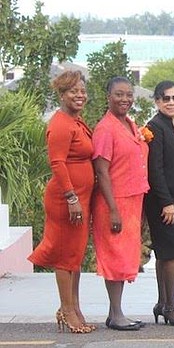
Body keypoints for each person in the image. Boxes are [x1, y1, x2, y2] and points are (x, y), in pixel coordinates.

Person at [28, 70, 95, 334]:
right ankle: (67, 311)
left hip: (81, 197)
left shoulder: (76, 122)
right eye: (73, 91)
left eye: (82, 91)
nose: (79, 95)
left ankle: (74, 307)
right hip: (66, 199)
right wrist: (71, 197)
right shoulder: (60, 124)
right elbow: (57, 162)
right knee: (66, 257)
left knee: (75, 256)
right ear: (61, 94)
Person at [91, 77, 149, 331]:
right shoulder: (105, 128)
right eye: (118, 94)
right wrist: (113, 209)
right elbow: (102, 172)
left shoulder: (130, 124)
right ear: (108, 96)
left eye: (128, 94)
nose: (124, 99)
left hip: (133, 201)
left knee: (126, 257)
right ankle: (116, 314)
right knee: (115, 257)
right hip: (114, 203)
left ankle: (117, 312)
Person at [144, 80, 174, 326]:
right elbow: (155, 169)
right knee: (172, 253)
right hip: (166, 201)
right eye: (166, 98)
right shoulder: (155, 127)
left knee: (166, 253)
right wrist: (166, 202)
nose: (171, 102)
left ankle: (162, 303)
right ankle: (170, 306)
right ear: (157, 101)